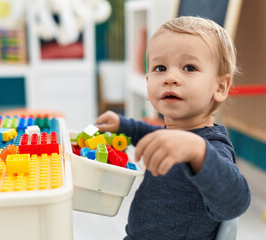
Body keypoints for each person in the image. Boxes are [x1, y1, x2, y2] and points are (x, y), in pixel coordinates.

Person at [95, 16, 251, 240]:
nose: (170, 77)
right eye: (160, 68)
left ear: (220, 87)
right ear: (148, 84)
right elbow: (155, 136)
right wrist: (123, 125)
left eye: (189, 67)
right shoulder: (171, 133)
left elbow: (236, 201)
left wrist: (197, 151)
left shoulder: (211, 148)